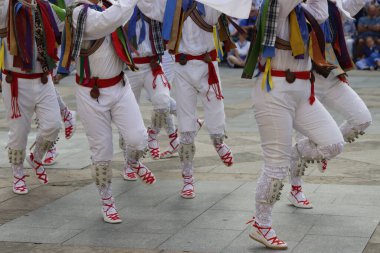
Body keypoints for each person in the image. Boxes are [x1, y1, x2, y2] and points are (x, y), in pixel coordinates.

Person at [242, 0, 345, 249]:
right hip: (274, 90)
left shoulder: (304, 11)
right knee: (275, 166)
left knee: (333, 143)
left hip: (302, 91)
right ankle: (262, 225)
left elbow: (321, 11)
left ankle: (295, 154)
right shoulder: (278, 4)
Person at [63, 0, 156, 223]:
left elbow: (123, 15)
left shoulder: (110, 5)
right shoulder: (79, 12)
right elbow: (106, 22)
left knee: (138, 138)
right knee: (101, 151)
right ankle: (107, 201)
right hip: (89, 93)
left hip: (119, 86)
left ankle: (133, 162)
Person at [138, 0, 240, 199]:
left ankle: (218, 143)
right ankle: (187, 179)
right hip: (182, 67)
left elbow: (226, 6)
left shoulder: (209, 3)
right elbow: (148, 6)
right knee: (186, 126)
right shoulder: (169, 4)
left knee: (216, 113)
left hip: (207, 65)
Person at [288, 0, 372, 209]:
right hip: (304, 81)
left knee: (362, 119)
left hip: (331, 77)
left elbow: (355, 3)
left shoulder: (335, 6)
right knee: (302, 138)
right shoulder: (292, 6)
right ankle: (295, 188)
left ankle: (320, 146)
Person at [1, 0, 62, 195]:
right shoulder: (6, 6)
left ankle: (36, 156)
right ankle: (18, 173)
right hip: (16, 81)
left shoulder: (44, 6)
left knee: (53, 124)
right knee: (18, 132)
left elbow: (66, 20)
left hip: (43, 78)